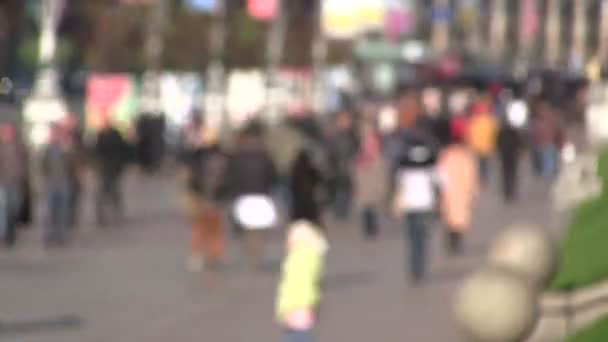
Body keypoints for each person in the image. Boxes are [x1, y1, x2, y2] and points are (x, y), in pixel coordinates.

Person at [225, 121, 278, 267]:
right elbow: (273, 177)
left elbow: (272, 176)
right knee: (251, 230)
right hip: (250, 197)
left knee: (254, 230)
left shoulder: (241, 156)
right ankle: (253, 255)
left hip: (253, 197)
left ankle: (253, 256)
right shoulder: (261, 156)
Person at [179, 115, 227, 272]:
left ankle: (204, 255)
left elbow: (187, 174)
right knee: (209, 227)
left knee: (202, 227)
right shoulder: (219, 154)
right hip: (209, 195)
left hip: (201, 194)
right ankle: (211, 255)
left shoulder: (196, 154)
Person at [392, 130, 439, 284]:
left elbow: (398, 183)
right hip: (425, 204)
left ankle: (414, 269)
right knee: (422, 238)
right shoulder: (431, 164)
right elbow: (440, 182)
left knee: (412, 239)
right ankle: (419, 268)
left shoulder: (404, 165)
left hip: (410, 205)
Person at [275, 220, 328, 342]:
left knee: (297, 335)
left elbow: (295, 285)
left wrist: (286, 307)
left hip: (297, 305)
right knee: (299, 334)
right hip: (303, 304)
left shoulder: (299, 258)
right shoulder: (310, 256)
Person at [437, 130, 479, 255]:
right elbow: (472, 175)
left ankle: (452, 240)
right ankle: (455, 241)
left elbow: (440, 174)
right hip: (461, 191)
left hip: (450, 191)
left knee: (450, 218)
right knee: (459, 219)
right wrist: (473, 191)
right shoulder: (466, 156)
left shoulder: (445, 155)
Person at [41, 123, 80, 246]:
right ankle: (49, 235)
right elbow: (42, 165)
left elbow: (74, 165)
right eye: (54, 133)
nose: (56, 136)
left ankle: (61, 236)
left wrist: (67, 150)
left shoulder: (67, 148)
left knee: (63, 210)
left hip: (65, 182)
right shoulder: (47, 149)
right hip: (51, 182)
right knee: (50, 211)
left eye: (58, 133)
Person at [94, 118, 131, 227]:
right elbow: (97, 151)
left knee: (114, 191)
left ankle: (116, 213)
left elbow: (123, 150)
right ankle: (101, 216)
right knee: (102, 192)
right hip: (104, 168)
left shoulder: (116, 134)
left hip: (114, 168)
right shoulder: (100, 135)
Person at [355, 120, 386, 239]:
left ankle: (371, 228)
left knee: (371, 205)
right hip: (366, 178)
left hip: (371, 177)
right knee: (367, 205)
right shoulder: (363, 144)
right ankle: (370, 228)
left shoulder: (375, 142)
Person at [0, 123, 28, 247]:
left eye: (9, 132)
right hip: (3, 182)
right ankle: (4, 235)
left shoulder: (20, 147)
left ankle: (11, 233)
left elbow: (25, 164)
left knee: (14, 208)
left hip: (16, 182)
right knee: (3, 209)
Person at [327, 111, 358, 220]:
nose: (345, 122)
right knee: (338, 190)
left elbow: (356, 149)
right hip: (337, 168)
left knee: (346, 190)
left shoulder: (353, 134)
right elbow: (330, 152)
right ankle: (338, 210)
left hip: (348, 167)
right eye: (342, 120)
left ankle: (342, 211)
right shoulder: (334, 135)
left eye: (347, 120)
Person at [498, 100, 527, 202]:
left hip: (505, 154)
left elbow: (498, 142)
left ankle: (508, 192)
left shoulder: (501, 131)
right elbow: (519, 142)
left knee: (506, 174)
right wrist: (521, 150)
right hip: (512, 154)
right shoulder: (514, 131)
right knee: (512, 174)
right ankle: (511, 191)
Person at [467, 96, 498, 186]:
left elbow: (494, 134)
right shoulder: (487, 120)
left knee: (483, 164)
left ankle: (482, 179)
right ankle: (482, 179)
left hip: (482, 146)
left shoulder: (486, 120)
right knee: (482, 164)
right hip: (481, 146)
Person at [289, 149, 323, 226]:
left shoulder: (295, 169)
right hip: (308, 199)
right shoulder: (310, 168)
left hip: (299, 200)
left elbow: (292, 184)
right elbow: (319, 179)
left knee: (298, 221)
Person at [531, 102, 563, 180]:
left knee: (549, 164)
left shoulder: (552, 120)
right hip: (540, 144)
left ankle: (548, 178)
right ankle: (546, 176)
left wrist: (560, 142)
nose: (542, 112)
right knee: (544, 163)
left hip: (549, 144)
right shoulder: (537, 122)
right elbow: (534, 134)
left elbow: (558, 131)